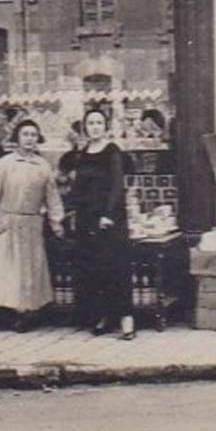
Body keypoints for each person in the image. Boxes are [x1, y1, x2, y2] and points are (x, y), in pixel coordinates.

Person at [0, 119, 65, 332]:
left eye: (33, 135)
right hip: (5, 222)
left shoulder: (43, 167)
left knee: (27, 272)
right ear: (17, 137)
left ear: (38, 139)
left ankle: (26, 315)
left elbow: (52, 197)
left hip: (31, 224)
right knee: (3, 270)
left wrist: (56, 222)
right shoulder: (4, 164)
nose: (29, 139)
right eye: (25, 134)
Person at [68, 108, 136, 340]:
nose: (94, 127)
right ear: (85, 127)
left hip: (110, 219)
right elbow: (78, 189)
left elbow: (118, 185)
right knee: (94, 270)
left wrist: (108, 214)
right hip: (87, 219)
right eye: (91, 123)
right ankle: (103, 316)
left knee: (116, 268)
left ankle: (127, 321)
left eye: (99, 122)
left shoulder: (112, 152)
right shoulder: (83, 154)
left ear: (105, 127)